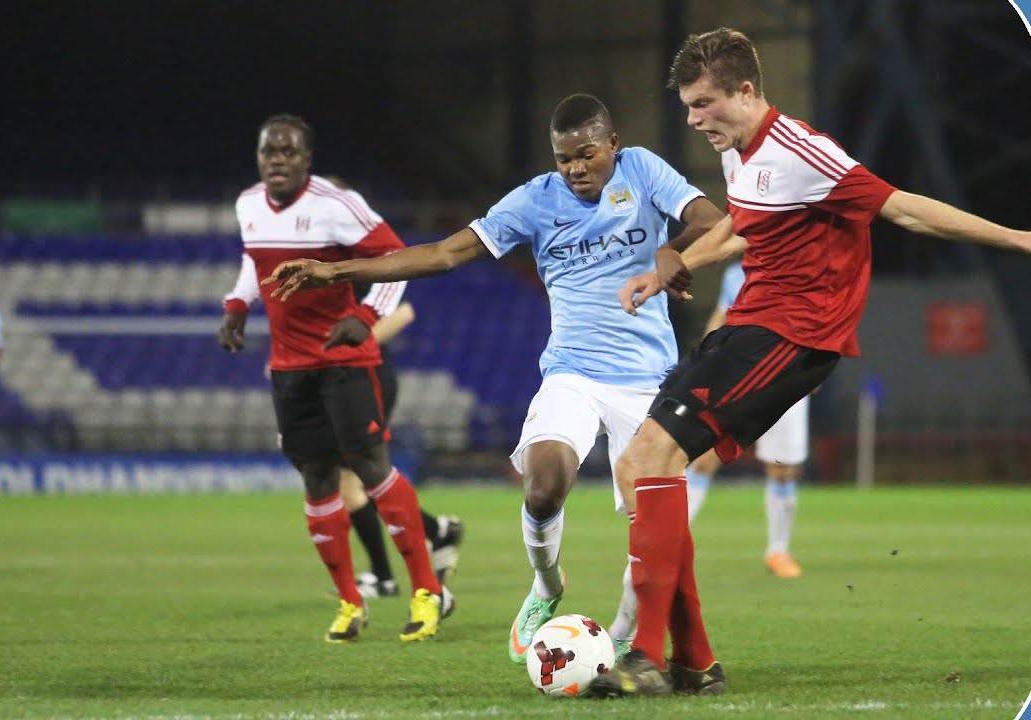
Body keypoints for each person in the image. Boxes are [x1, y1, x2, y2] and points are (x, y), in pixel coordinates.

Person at [589, 27, 1031, 698]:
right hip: (750, 325)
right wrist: (667, 267)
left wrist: (1022, 239)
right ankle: (693, 662)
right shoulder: (739, 154)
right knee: (639, 466)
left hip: (794, 335)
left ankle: (646, 655)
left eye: (704, 104)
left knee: (651, 459)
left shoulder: (803, 153)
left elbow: (906, 210)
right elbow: (737, 226)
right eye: (688, 107)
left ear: (746, 91)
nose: (695, 120)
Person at [260, 94, 725, 663]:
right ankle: (546, 586)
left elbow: (710, 219)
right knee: (543, 483)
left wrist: (670, 252)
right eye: (564, 158)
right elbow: (443, 254)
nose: (575, 168)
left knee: (651, 524)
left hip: (647, 378)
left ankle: (626, 631)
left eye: (587, 155)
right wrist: (337, 271)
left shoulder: (643, 170)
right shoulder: (536, 199)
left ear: (613, 145)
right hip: (573, 372)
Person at [218, 114, 449, 644]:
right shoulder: (248, 204)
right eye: (269, 151)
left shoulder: (337, 204)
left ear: (307, 158)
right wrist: (237, 305)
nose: (277, 160)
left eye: (288, 152)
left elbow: (396, 257)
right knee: (317, 479)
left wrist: (366, 315)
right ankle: (350, 603)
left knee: (371, 469)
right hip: (289, 368)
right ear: (258, 157)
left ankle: (426, 590)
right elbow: (255, 262)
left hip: (345, 362)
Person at [684, 260, 809, 578]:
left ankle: (778, 551)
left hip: (786, 377)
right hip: (737, 377)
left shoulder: (803, 268)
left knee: (783, 469)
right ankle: (673, 543)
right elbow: (721, 318)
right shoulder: (737, 274)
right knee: (703, 458)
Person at [338, 291, 465, 599]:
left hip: (365, 380)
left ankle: (385, 576)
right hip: (343, 381)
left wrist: (340, 351)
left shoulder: (358, 270)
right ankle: (436, 532)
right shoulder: (337, 272)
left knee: (353, 481)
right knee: (359, 480)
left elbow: (404, 312)